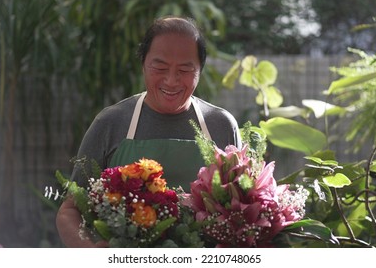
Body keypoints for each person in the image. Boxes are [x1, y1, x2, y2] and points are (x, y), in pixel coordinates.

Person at [55, 16, 242, 247]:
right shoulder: (111, 122)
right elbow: (70, 210)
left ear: (200, 69)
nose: (171, 81)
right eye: (160, 67)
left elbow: (241, 209)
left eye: (185, 69)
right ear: (143, 63)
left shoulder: (221, 125)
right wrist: (91, 251)